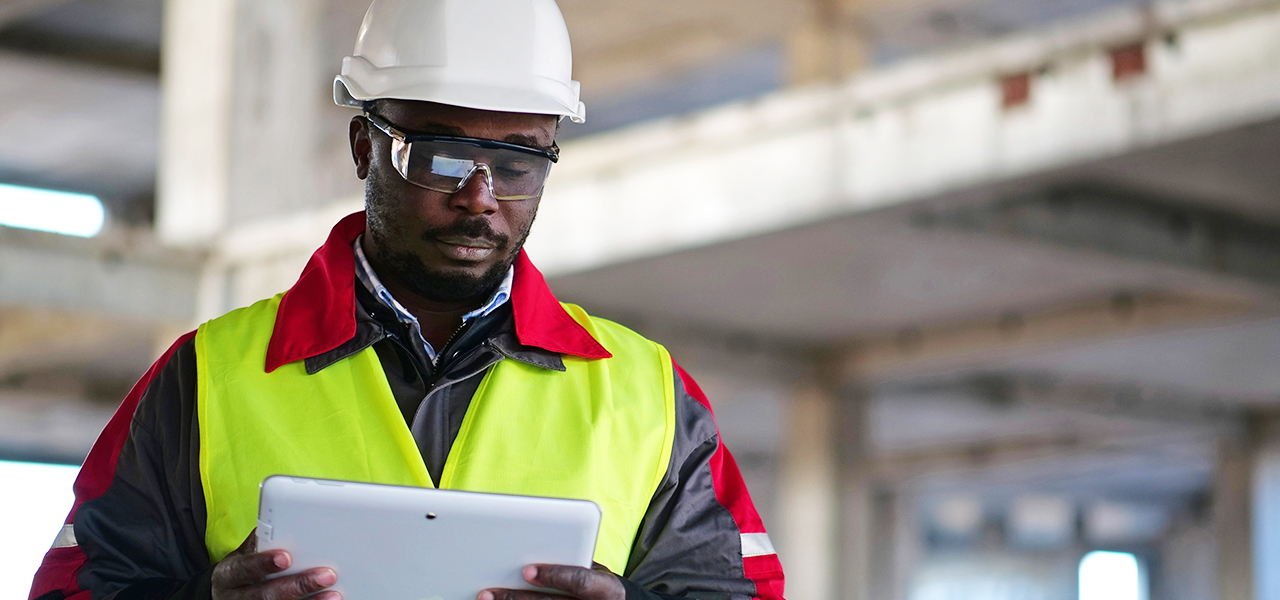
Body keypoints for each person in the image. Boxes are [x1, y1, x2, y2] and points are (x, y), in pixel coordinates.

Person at [28, 1, 785, 600]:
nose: (479, 197)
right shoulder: (209, 378)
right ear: (365, 147)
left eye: (517, 159)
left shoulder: (645, 394)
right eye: (442, 154)